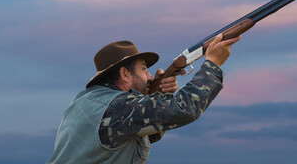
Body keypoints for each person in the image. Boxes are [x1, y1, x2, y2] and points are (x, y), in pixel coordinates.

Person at [48, 34, 240, 164]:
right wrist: (213, 63)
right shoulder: (118, 107)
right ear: (124, 74)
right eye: (143, 69)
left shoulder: (86, 102)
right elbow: (185, 108)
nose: (149, 76)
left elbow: (149, 132)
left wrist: (160, 95)